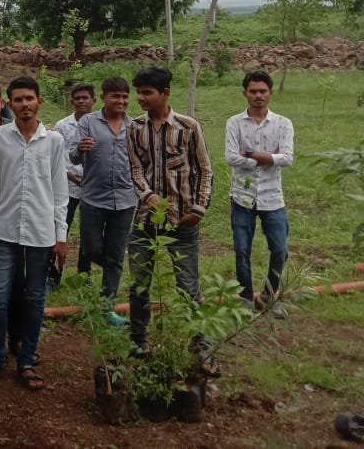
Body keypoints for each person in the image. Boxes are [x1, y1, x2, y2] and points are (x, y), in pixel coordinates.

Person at [0, 76, 67, 391]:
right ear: (7, 104)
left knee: (35, 297)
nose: (24, 105)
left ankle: (27, 358)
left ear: (39, 100)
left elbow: (59, 192)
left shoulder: (53, 141)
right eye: (18, 100)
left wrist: (61, 235)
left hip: (41, 232)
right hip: (5, 230)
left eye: (29, 98)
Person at [126, 66, 213, 357]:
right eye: (139, 92)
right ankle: (138, 340)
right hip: (144, 220)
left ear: (165, 93)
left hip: (183, 220)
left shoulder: (189, 127)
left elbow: (204, 169)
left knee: (188, 285)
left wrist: (198, 209)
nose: (141, 98)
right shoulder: (135, 128)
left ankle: (199, 343)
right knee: (139, 284)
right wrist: (149, 197)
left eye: (147, 93)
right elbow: (136, 170)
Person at [225, 70, 294, 317]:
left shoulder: (283, 124)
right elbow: (231, 157)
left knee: (280, 250)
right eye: (253, 91)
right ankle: (245, 298)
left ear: (270, 93)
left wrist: (251, 155)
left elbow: (287, 158)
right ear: (245, 93)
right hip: (242, 197)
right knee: (242, 249)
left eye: (262, 91)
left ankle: (268, 295)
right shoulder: (234, 122)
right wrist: (268, 158)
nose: (258, 96)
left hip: (272, 197)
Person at [71, 77, 136, 325]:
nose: (120, 101)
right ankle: (110, 264)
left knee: (117, 256)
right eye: (115, 96)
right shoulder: (89, 122)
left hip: (126, 199)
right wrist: (80, 148)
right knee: (91, 248)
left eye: (124, 97)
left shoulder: (135, 126)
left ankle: (107, 307)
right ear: (104, 98)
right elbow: (74, 157)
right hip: (93, 199)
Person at [49, 83, 96, 287]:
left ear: (94, 100)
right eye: (77, 98)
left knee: (88, 232)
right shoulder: (62, 126)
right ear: (72, 101)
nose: (81, 101)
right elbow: (58, 157)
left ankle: (84, 274)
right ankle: (53, 274)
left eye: (85, 98)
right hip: (67, 186)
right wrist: (69, 175)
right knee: (60, 229)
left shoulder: (99, 124)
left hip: (92, 188)